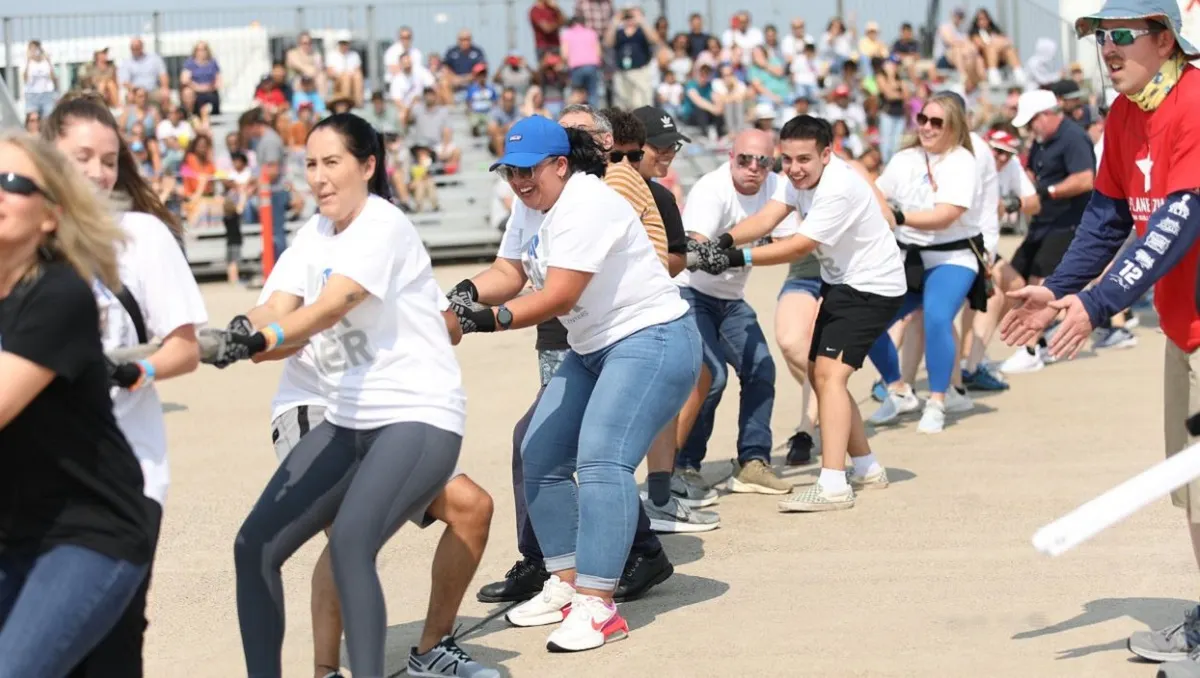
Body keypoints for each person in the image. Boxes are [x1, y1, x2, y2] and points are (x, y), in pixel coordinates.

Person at [211, 113, 467, 678]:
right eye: (310, 165)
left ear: (368, 166)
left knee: (351, 544)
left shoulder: (384, 224)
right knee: (254, 545)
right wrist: (234, 332)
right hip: (347, 420)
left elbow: (333, 304)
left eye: (333, 163)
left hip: (417, 415)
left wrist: (268, 336)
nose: (319, 178)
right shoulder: (314, 233)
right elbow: (276, 306)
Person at [996, 2, 1200, 675]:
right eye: (1098, 38)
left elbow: (1174, 224)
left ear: (1164, 39)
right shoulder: (1125, 113)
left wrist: (1098, 301)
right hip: (1185, 332)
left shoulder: (1194, 103)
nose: (1106, 49)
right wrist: (1058, 287)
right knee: (1192, 493)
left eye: (1121, 36)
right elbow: (1109, 218)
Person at [447, 115, 700, 652]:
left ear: (560, 165)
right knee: (539, 451)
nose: (517, 182)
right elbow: (509, 271)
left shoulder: (588, 203)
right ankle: (564, 582)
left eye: (527, 171)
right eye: (509, 172)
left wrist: (480, 321)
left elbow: (558, 295)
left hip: (651, 339)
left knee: (602, 460)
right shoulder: (530, 202)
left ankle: (599, 604)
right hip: (592, 349)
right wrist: (459, 296)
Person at [244, 236, 498, 678]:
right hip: (316, 406)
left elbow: (449, 327)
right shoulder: (307, 252)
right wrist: (262, 333)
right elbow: (269, 338)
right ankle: (326, 670)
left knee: (471, 508)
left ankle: (432, 651)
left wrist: (428, 324)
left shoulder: (396, 249)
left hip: (390, 412)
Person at [42, 94, 207, 678]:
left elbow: (184, 347)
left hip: (126, 475)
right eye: (82, 155)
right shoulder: (24, 239)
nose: (97, 171)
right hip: (35, 480)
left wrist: (136, 370)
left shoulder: (141, 236)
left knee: (111, 640)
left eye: (108, 159)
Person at [687, 115, 906, 511]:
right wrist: (719, 241)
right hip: (843, 283)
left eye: (804, 159)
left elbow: (798, 247)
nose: (794, 168)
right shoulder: (795, 178)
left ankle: (834, 484)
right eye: (786, 160)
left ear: (827, 153)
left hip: (872, 287)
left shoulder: (838, 187)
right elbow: (767, 219)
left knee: (829, 376)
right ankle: (868, 467)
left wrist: (735, 255)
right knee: (823, 377)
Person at [0, 131, 151, 676]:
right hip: (16, 530)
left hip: (89, 535)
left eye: (12, 183)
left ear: (50, 216)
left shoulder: (58, 296)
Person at [610, 105, 715, 532]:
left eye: (673, 145)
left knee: (691, 383)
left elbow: (670, 261)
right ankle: (647, 499)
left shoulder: (661, 196)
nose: (668, 154)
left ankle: (658, 493)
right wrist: (691, 257)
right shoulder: (608, 189)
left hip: (644, 312)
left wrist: (690, 255)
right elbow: (668, 261)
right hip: (610, 321)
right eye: (659, 147)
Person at [676, 129, 796, 496]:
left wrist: (734, 251)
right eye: (745, 159)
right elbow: (695, 241)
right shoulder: (712, 189)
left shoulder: (777, 188)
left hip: (730, 298)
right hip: (690, 293)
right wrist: (711, 250)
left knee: (761, 369)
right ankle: (683, 466)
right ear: (731, 157)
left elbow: (788, 242)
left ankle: (753, 462)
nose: (754, 168)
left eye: (764, 161)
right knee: (711, 376)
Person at [865, 92, 986, 434]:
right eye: (923, 119)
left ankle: (937, 400)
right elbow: (876, 193)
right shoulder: (905, 159)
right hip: (909, 257)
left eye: (937, 122)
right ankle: (898, 388)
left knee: (936, 316)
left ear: (954, 127)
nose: (927, 127)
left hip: (953, 256)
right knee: (867, 318)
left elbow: (945, 216)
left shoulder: (962, 161)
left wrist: (897, 216)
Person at [997, 87, 1096, 375]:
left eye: (1032, 121)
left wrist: (1046, 192)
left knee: (1041, 283)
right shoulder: (1042, 140)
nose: (1030, 128)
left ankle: (1030, 349)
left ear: (1048, 114)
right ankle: (1037, 343)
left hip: (1068, 222)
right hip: (1042, 222)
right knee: (1013, 276)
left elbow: (1086, 179)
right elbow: (1036, 175)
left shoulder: (1073, 137)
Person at [961, 128, 1038, 391]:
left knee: (1014, 286)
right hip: (969, 242)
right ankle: (971, 359)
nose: (1002, 158)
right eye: (998, 151)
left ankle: (973, 352)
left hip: (986, 244)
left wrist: (1011, 204)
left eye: (1007, 153)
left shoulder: (1010, 164)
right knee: (989, 295)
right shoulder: (971, 160)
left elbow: (1034, 202)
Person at [237, 108, 290, 261]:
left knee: (276, 234)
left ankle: (280, 267)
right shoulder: (264, 141)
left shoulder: (270, 140)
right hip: (269, 193)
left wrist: (254, 185)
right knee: (272, 234)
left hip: (274, 193)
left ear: (252, 125)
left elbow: (272, 171)